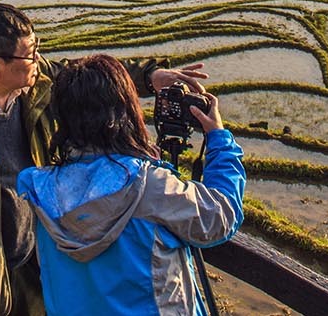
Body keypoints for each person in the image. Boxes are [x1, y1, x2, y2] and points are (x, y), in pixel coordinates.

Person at [0, 3, 209, 316]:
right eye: (30, 53)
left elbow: (85, 77)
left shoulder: (36, 83)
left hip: (35, 264)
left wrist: (148, 78)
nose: (38, 59)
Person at [16, 55, 245, 316]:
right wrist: (220, 141)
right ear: (124, 112)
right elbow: (220, 215)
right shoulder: (148, 186)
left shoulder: (40, 189)